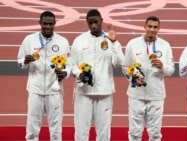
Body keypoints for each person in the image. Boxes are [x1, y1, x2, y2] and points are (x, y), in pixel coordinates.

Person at [70, 9, 124, 141]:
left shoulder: (110, 40)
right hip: (83, 92)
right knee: (81, 131)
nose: (93, 25)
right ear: (87, 23)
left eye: (96, 22)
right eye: (90, 23)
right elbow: (71, 65)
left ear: (102, 21)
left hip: (104, 93)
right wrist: (79, 74)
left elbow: (120, 63)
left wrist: (114, 43)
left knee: (104, 132)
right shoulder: (79, 40)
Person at [17, 11, 71, 141]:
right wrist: (25, 61)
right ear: (40, 23)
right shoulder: (29, 40)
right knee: (32, 129)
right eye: (45, 23)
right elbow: (19, 61)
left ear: (55, 24)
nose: (48, 27)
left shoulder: (63, 41)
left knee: (56, 131)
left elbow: (69, 65)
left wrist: (65, 73)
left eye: (51, 24)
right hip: (35, 89)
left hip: (55, 91)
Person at [123, 16, 175, 141]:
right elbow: (125, 68)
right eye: (150, 26)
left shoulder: (165, 46)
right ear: (145, 27)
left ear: (159, 29)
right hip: (136, 95)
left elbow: (171, 70)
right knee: (135, 133)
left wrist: (162, 66)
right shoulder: (133, 44)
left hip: (156, 95)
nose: (152, 29)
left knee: (155, 133)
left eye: (155, 27)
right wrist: (133, 77)